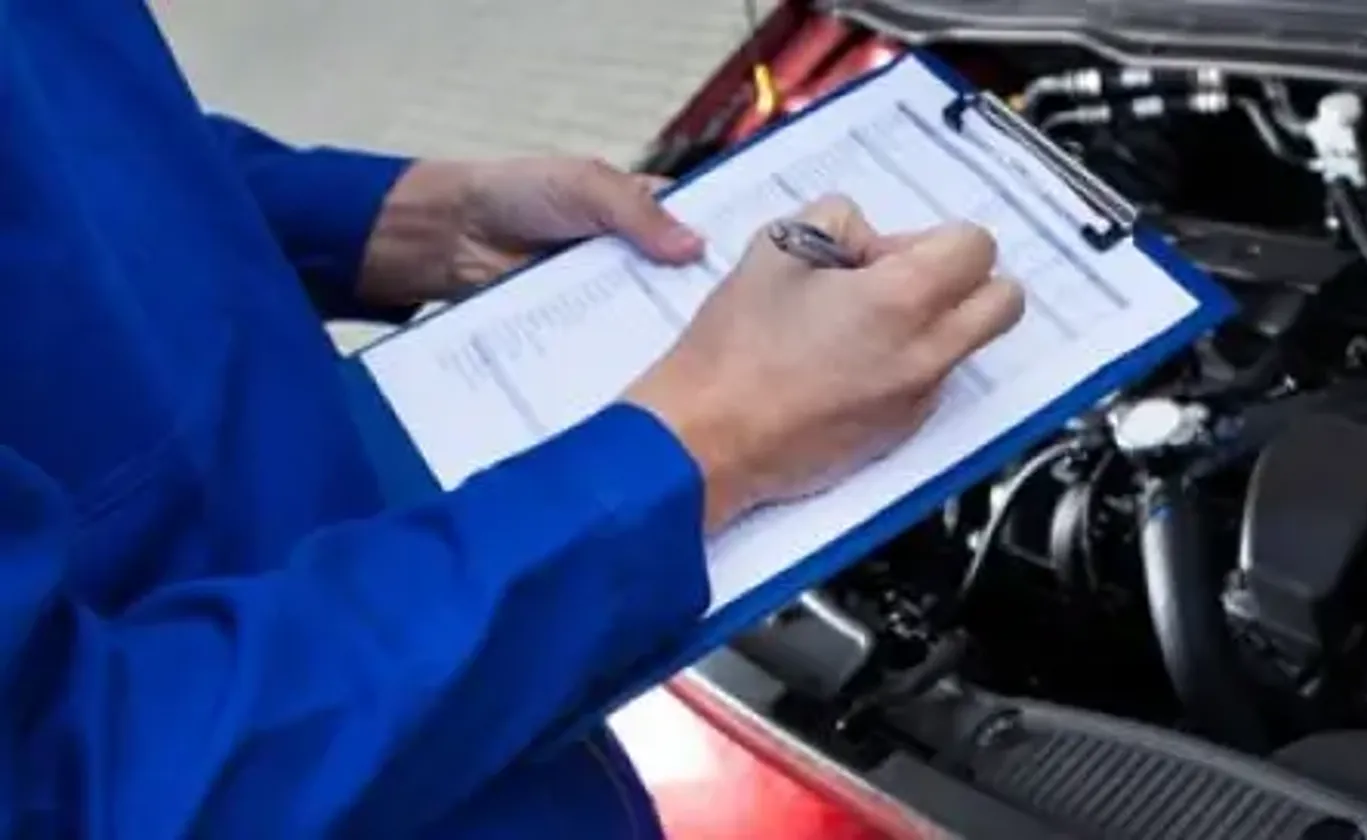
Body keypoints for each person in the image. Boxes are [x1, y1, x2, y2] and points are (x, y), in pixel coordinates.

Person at [0, 1, 1023, 837]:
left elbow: (57, 119)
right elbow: (70, 789)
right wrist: (701, 451)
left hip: (464, 675)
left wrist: (387, 219)